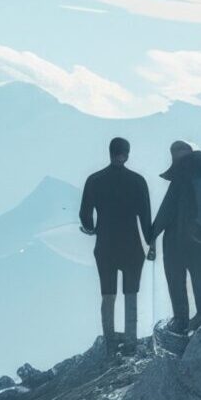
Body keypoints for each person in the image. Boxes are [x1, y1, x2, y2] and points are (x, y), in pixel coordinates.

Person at [79, 136, 154, 350]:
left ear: (109, 151)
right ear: (127, 153)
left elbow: (85, 214)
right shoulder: (138, 181)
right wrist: (151, 244)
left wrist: (92, 228)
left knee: (108, 293)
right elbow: (146, 218)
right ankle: (131, 340)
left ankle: (110, 341)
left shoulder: (94, 180)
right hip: (132, 246)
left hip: (105, 245)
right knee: (131, 293)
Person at [151, 140, 201, 333]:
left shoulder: (180, 180)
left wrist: (151, 235)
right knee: (200, 284)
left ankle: (180, 321)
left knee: (177, 283)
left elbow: (166, 211)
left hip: (176, 242)